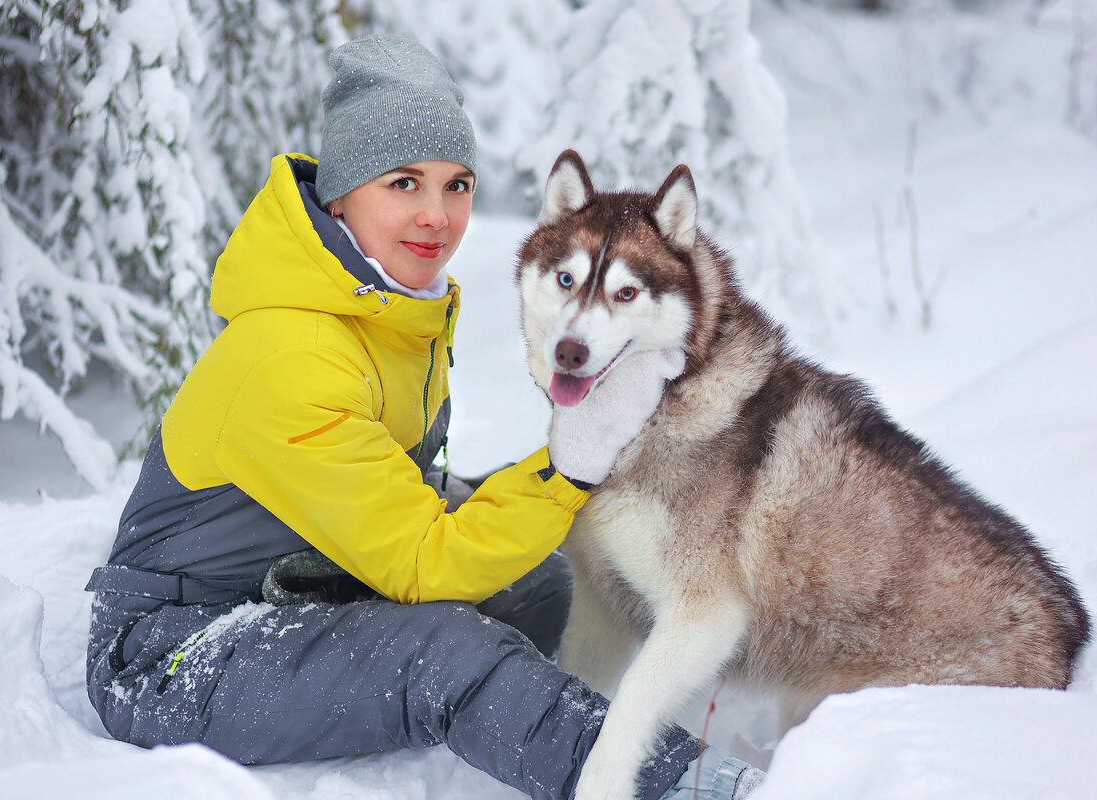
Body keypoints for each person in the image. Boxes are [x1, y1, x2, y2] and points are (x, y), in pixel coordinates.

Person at [84, 34, 763, 800]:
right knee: (444, 653)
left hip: (313, 578)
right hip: (174, 653)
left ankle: (593, 706)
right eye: (403, 183)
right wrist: (570, 465)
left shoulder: (386, 307)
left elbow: (396, 494)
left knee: (544, 585)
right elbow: (419, 563)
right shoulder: (293, 352)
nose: (438, 217)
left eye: (457, 184)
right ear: (342, 194)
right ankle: (693, 784)